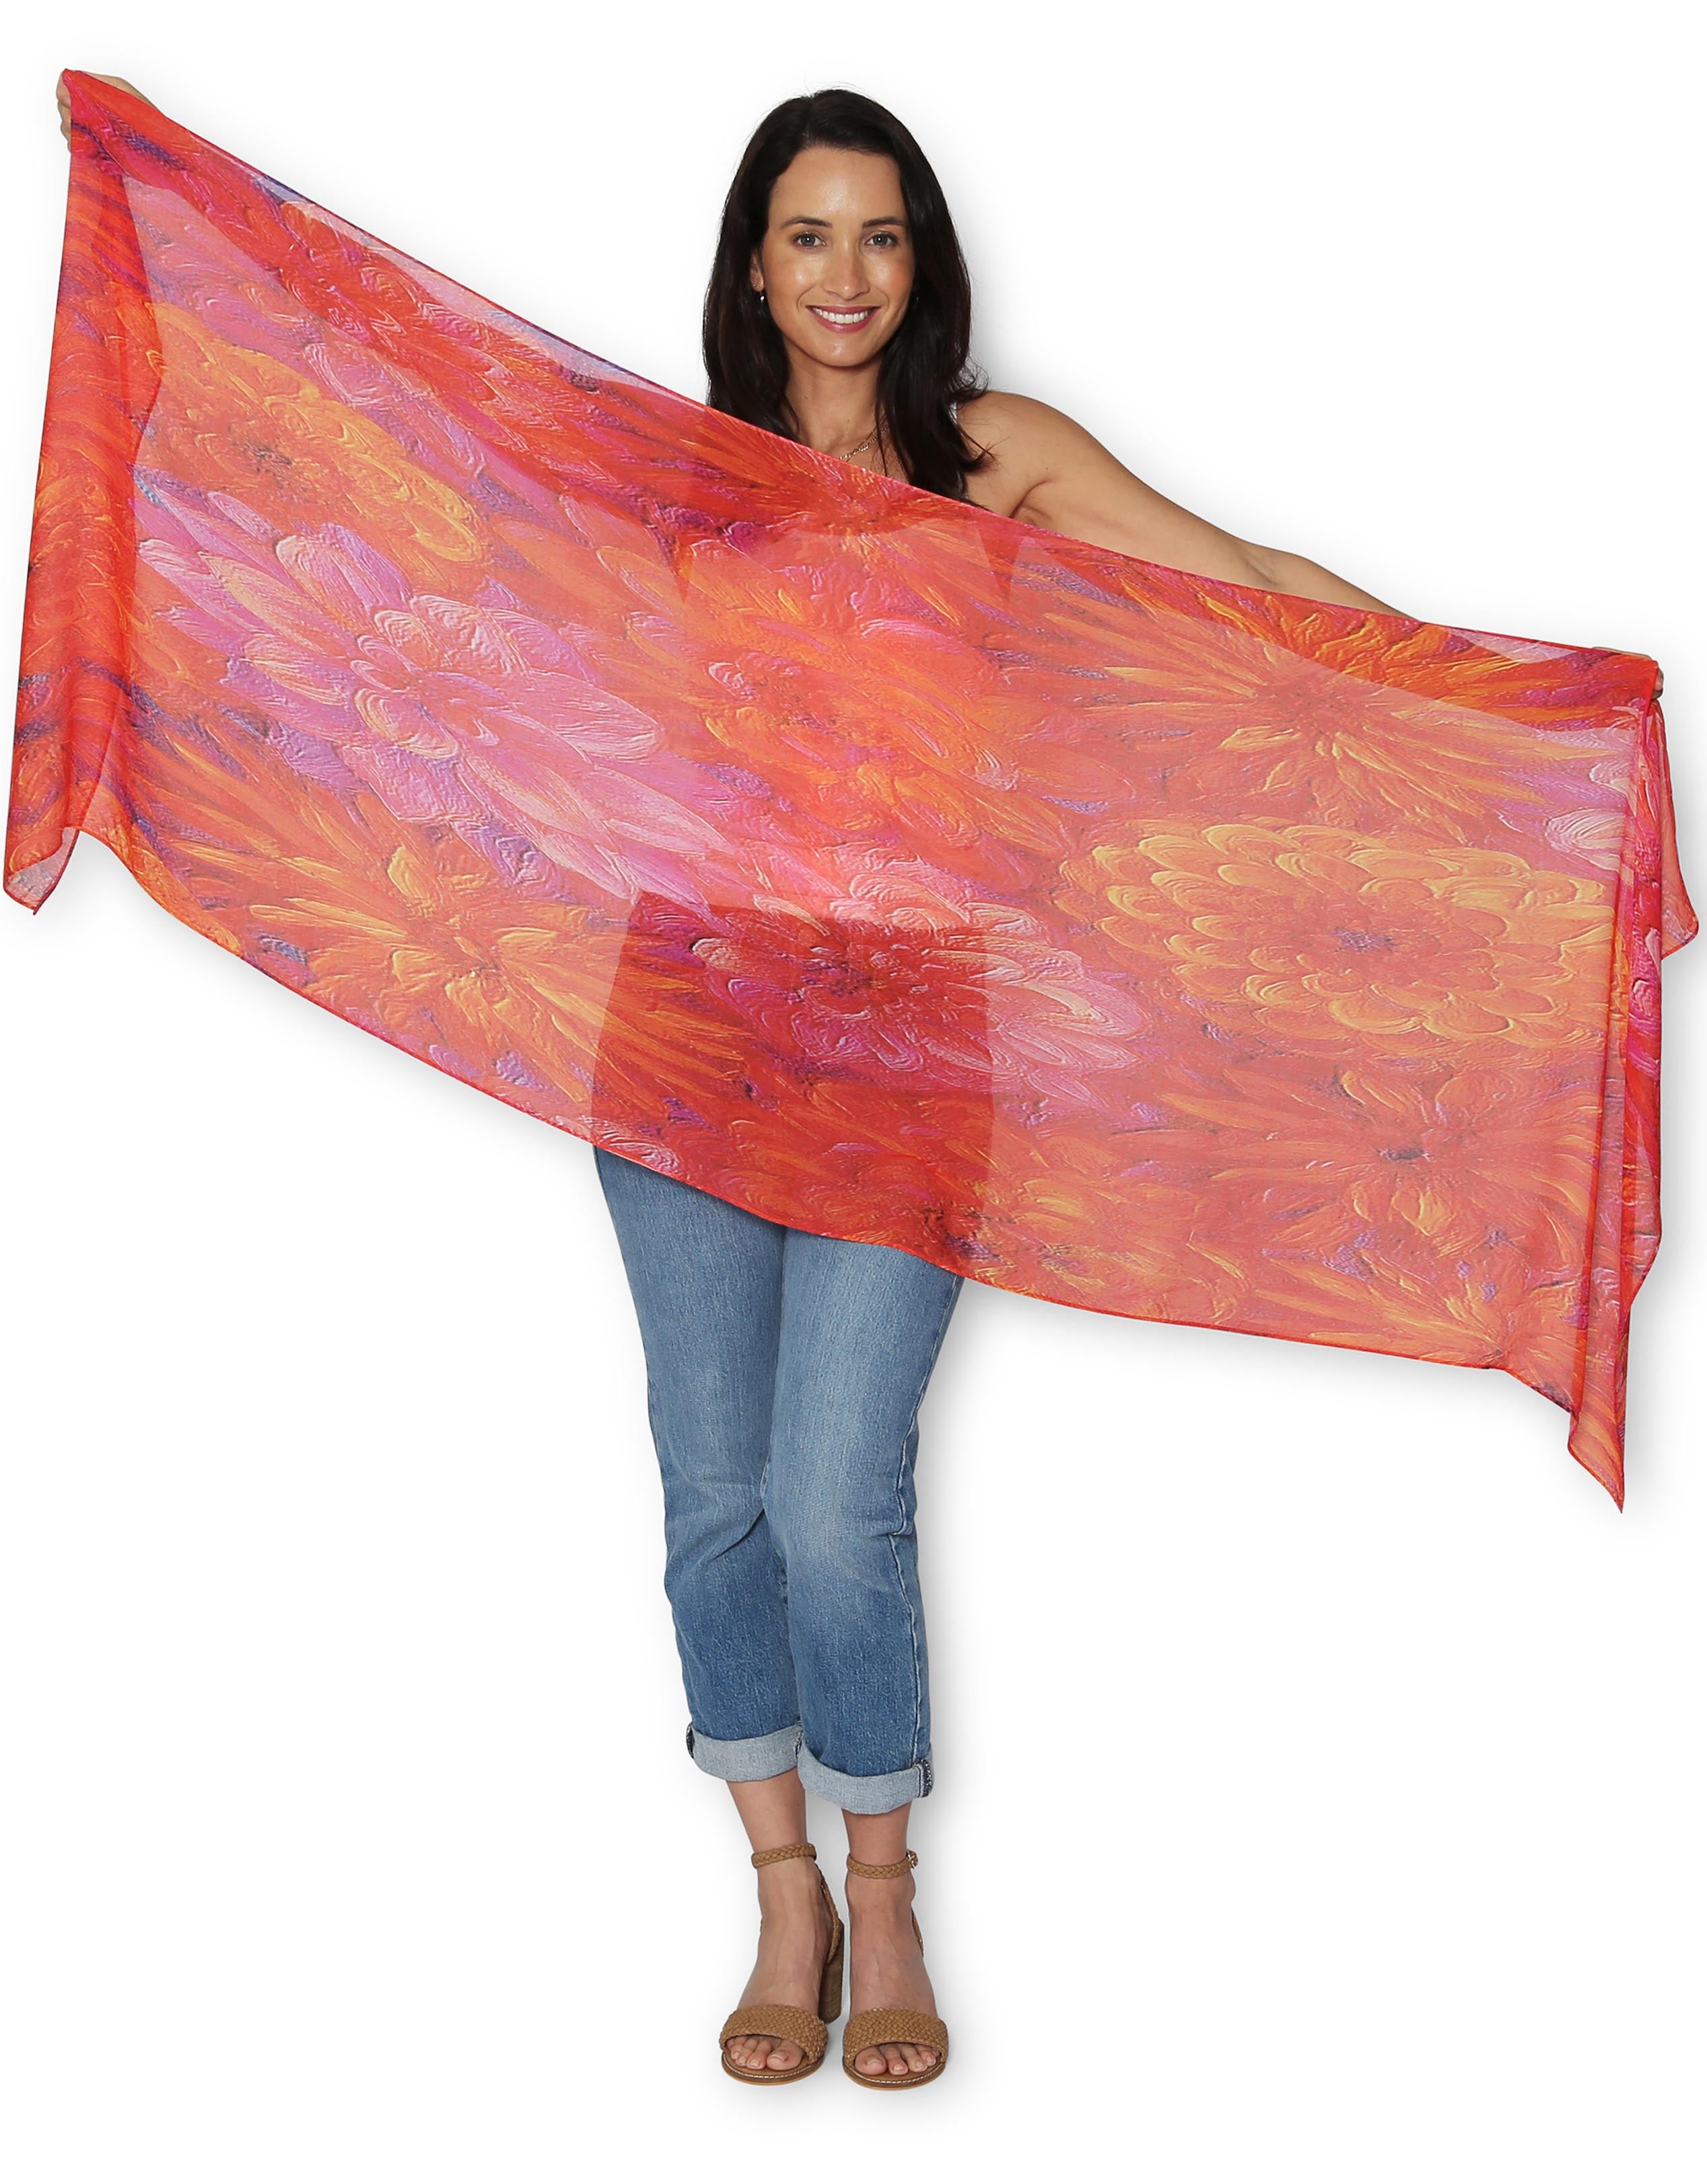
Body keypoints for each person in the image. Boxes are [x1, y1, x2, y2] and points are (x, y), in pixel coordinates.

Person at [55, 74, 1397, 2090]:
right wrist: (170, 225)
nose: (847, 274)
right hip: (690, 1012)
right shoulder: (672, 468)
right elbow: (437, 533)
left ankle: (889, 1888)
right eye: (807, 235)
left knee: (835, 1496)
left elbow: (1244, 576)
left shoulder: (995, 457)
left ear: (921, 260)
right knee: (713, 1491)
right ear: (752, 266)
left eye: (881, 234)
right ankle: (783, 1887)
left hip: (916, 1025)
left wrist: (1493, 697)